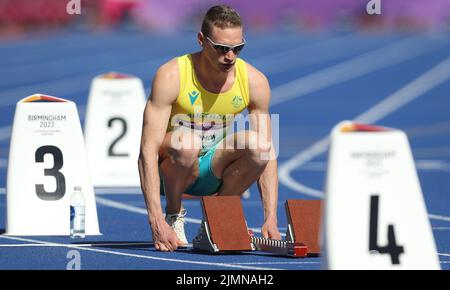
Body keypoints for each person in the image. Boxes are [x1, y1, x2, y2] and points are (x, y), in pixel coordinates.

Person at [138, 5, 280, 252]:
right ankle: (173, 214)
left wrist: (271, 217)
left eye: (238, 49)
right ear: (202, 40)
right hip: (172, 170)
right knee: (187, 142)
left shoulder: (254, 81)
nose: (230, 56)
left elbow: (268, 155)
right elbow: (147, 151)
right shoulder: (172, 75)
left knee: (260, 146)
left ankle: (217, 216)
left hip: (213, 168)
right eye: (222, 48)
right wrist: (155, 219)